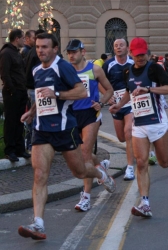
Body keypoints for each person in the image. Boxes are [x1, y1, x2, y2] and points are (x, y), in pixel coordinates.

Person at [18, 33, 115, 240]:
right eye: (37, 47)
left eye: (45, 47)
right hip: (42, 130)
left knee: (80, 171)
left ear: (54, 49)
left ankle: (101, 174)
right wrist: (32, 112)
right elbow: (42, 93)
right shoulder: (36, 69)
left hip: (64, 128)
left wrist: (59, 95)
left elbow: (81, 92)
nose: (40, 51)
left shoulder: (63, 67)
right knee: (39, 175)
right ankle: (38, 223)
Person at [109, 37, 168, 218]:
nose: (140, 58)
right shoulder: (128, 72)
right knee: (141, 163)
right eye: (137, 55)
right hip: (139, 125)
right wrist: (119, 105)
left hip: (157, 122)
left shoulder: (154, 68)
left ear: (147, 53)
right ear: (131, 54)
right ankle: (145, 203)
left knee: (163, 161)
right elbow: (128, 92)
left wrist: (149, 90)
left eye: (143, 54)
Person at [66, 39, 114, 212]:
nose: (71, 55)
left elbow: (109, 90)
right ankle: (100, 168)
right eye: (69, 52)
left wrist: (101, 103)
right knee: (81, 155)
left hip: (90, 115)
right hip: (72, 115)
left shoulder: (94, 69)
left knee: (85, 154)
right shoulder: (66, 70)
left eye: (74, 52)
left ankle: (86, 197)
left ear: (83, 52)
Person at [102, 39, 136, 180]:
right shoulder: (108, 65)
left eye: (121, 45)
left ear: (127, 47)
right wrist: (107, 95)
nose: (118, 47)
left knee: (128, 133)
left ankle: (130, 168)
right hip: (116, 104)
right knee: (121, 138)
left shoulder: (133, 63)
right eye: (116, 45)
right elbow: (100, 81)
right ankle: (141, 144)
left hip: (131, 103)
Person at [0, 29, 30, 162]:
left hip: (20, 91)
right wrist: (12, 90)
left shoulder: (17, 53)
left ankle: (19, 148)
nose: (25, 40)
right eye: (23, 38)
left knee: (20, 121)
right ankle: (10, 150)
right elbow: (5, 74)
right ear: (17, 39)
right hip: (12, 92)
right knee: (11, 121)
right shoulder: (6, 53)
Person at [24, 29, 46, 153]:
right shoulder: (35, 54)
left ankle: (32, 143)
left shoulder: (31, 52)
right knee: (36, 116)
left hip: (31, 88)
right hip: (35, 89)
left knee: (33, 116)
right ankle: (33, 144)